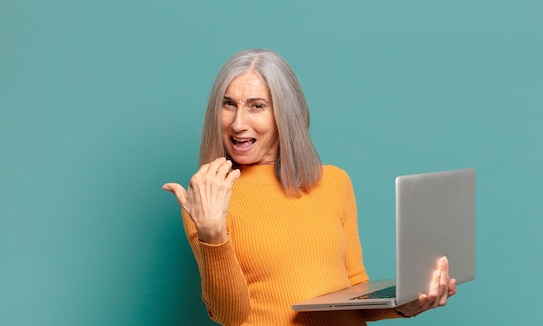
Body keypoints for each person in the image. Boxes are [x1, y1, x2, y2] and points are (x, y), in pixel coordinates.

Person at [162, 48, 456, 325]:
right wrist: (212, 232)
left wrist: (406, 305)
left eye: (256, 106)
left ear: (285, 115)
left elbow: (354, 292)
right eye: (229, 104)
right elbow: (230, 316)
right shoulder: (207, 198)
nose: (238, 123)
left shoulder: (333, 182)